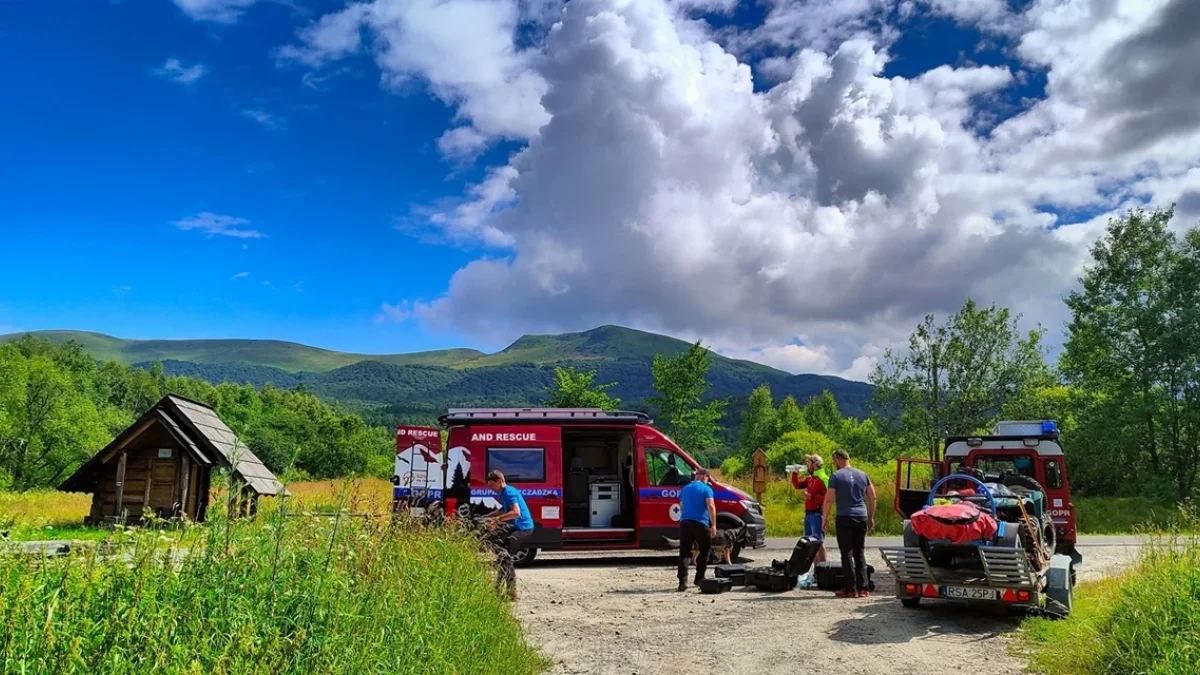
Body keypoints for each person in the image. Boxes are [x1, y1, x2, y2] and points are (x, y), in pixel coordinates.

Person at [823, 448, 877, 598]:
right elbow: (873, 497)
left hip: (844, 517)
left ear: (838, 459)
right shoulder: (863, 475)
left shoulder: (836, 476)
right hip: (861, 516)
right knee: (859, 553)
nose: (834, 463)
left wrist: (824, 518)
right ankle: (863, 588)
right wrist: (870, 516)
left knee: (846, 553)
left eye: (834, 461)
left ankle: (850, 588)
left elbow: (828, 499)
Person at [483, 470, 535, 600]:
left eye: (491, 485)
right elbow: (503, 510)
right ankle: (504, 590)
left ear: (499, 482)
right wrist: (487, 517)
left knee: (505, 557)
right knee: (503, 557)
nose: (490, 488)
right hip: (516, 527)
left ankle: (509, 591)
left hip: (524, 528)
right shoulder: (504, 493)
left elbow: (515, 513)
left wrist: (496, 520)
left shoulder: (509, 492)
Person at [676, 467, 717, 592]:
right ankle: (699, 578)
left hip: (685, 523)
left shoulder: (685, 488)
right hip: (701, 523)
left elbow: (681, 506)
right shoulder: (707, 489)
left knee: (684, 553)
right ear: (705, 477)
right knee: (705, 551)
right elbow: (710, 506)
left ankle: (682, 582)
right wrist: (713, 524)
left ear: (695, 476)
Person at [789, 454, 829, 565]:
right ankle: (817, 570)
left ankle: (824, 568)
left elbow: (828, 498)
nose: (807, 465)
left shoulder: (823, 478)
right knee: (810, 544)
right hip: (808, 514)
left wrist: (812, 497)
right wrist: (795, 473)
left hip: (817, 514)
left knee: (818, 542)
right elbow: (797, 485)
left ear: (815, 464)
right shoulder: (811, 478)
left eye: (809, 462)